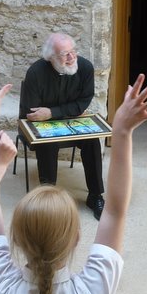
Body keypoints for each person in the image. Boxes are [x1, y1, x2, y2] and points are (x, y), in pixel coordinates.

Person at [0, 62, 147, 294]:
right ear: (76, 238)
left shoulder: (3, 289)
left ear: (17, 239)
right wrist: (123, 131)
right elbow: (115, 211)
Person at [19, 33, 105, 220]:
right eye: (65, 54)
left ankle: (95, 195)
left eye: (73, 51)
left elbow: (83, 102)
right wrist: (68, 111)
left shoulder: (85, 68)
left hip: (60, 119)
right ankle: (48, 202)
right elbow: (33, 113)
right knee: (48, 142)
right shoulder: (35, 73)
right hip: (36, 126)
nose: (72, 57)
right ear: (51, 57)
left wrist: (51, 112)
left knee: (92, 139)